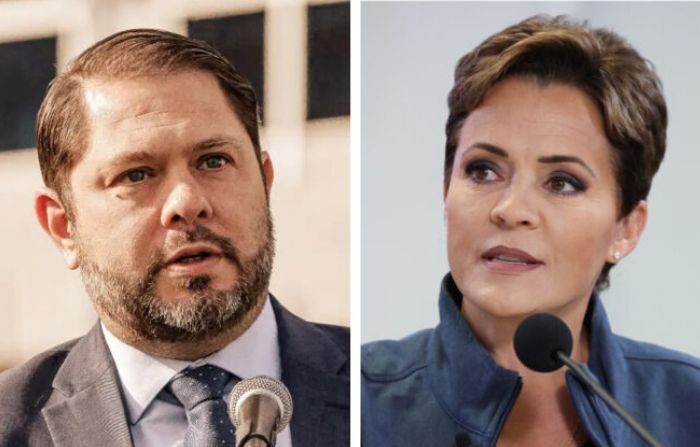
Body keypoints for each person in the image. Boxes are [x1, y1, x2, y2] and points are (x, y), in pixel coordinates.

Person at [362, 15, 700, 447]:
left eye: (562, 182)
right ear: (446, 192)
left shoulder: (687, 407)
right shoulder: (363, 403)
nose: (510, 209)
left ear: (626, 229)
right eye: (483, 171)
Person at [0, 29, 349, 447]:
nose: (187, 202)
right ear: (63, 227)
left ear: (265, 182)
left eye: (213, 161)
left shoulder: (371, 394)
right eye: (136, 174)